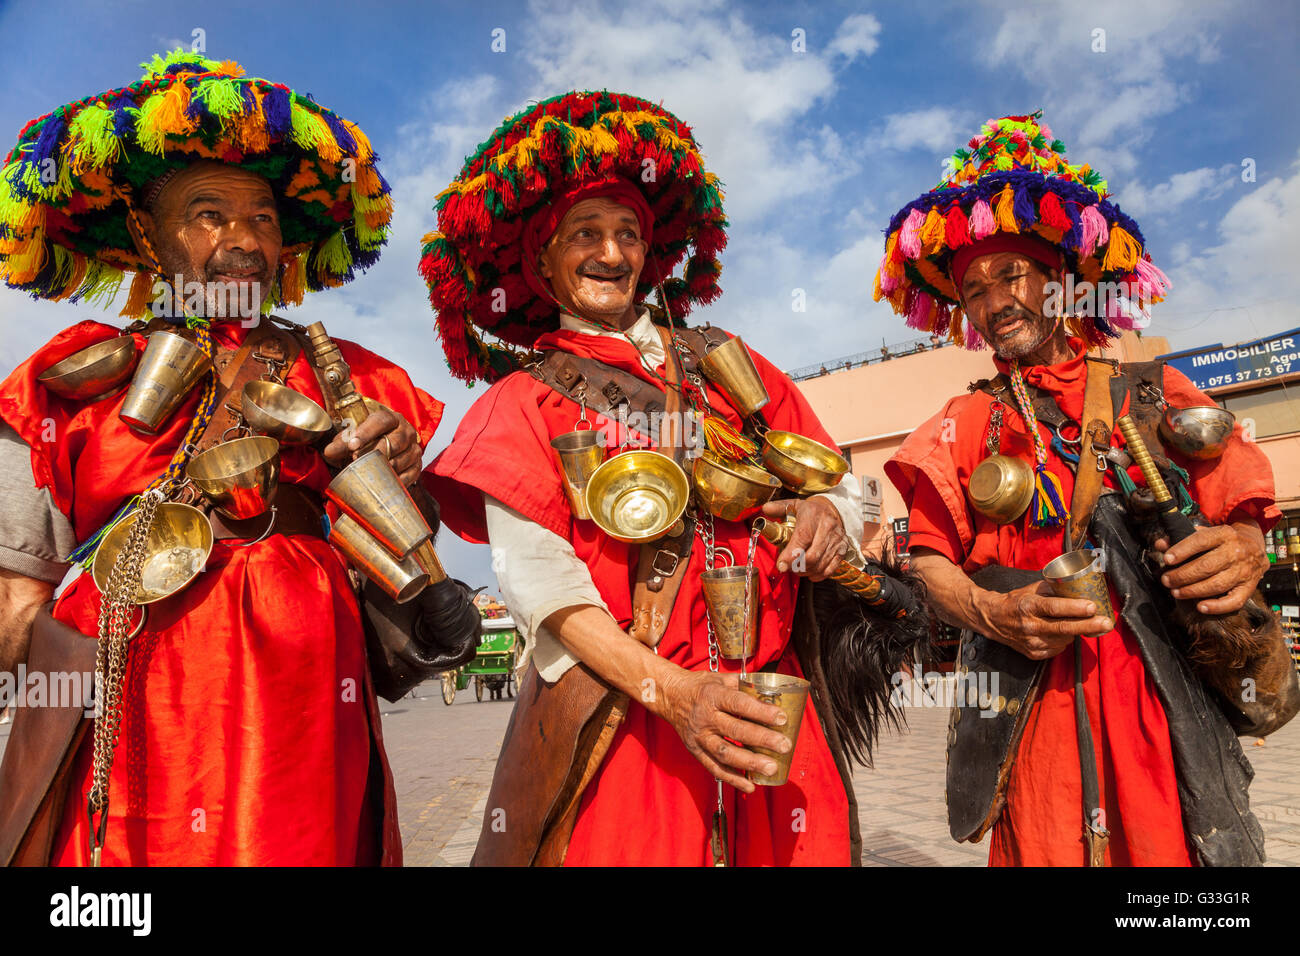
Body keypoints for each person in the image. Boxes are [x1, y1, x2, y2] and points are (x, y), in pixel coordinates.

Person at [0, 51, 480, 866]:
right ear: (149, 235)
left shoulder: (359, 379)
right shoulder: (63, 388)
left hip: (303, 720)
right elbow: (17, 597)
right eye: (208, 213)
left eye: (262, 217)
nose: (243, 239)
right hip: (135, 720)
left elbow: (406, 558)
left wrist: (404, 485)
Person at [421, 91, 923, 866]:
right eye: (585, 233)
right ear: (543, 262)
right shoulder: (522, 403)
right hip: (630, 720)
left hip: (774, 709)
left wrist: (827, 515)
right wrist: (676, 695)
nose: (612, 253)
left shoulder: (733, 365)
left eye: (628, 233)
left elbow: (835, 486)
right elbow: (542, 588)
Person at [877, 112, 1298, 866]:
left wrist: (1239, 551)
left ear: (1064, 281)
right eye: (973, 289)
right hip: (1029, 709)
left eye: (1011, 274)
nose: (993, 300)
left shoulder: (1153, 393)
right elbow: (929, 560)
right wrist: (993, 611)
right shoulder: (967, 419)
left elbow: (1242, 513)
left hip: (1158, 704)